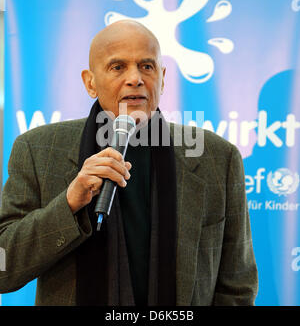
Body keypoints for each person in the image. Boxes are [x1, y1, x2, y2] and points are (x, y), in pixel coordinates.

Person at [0, 20, 258, 306]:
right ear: (90, 82)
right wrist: (69, 204)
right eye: (117, 67)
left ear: (163, 77)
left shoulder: (217, 157)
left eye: (147, 66)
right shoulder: (38, 149)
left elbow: (237, 286)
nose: (135, 78)